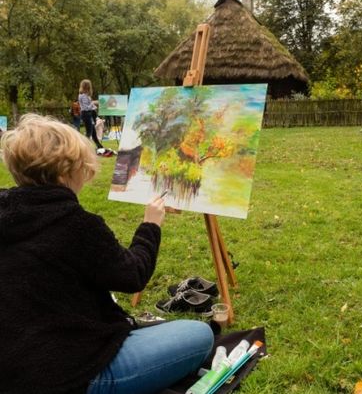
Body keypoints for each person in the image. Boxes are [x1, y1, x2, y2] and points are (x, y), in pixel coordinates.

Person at [0, 114, 214, 394]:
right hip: (68, 376)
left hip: (11, 368)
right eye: (82, 167)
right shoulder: (73, 224)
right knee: (198, 335)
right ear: (66, 173)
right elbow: (133, 274)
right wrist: (150, 224)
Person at [78, 79, 105, 149]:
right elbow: (86, 107)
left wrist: (94, 105)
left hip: (88, 114)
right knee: (89, 132)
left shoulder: (85, 95)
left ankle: (99, 146)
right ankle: (82, 148)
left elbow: (89, 105)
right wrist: (92, 103)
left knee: (93, 132)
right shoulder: (83, 95)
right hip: (86, 114)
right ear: (87, 87)